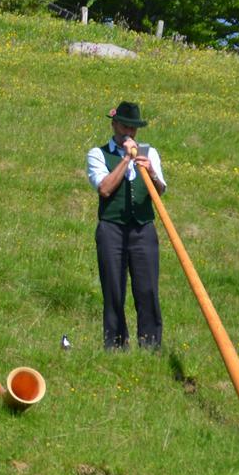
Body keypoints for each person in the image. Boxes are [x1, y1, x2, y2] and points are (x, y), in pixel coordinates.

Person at [85, 101, 167, 349]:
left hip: (143, 229)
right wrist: (126, 160)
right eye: (124, 126)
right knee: (113, 288)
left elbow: (160, 190)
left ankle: (150, 345)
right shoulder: (97, 154)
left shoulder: (150, 153)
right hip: (112, 229)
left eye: (133, 128)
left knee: (148, 289)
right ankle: (116, 344)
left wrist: (151, 171)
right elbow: (105, 188)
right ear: (114, 124)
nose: (129, 133)